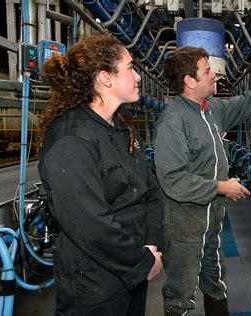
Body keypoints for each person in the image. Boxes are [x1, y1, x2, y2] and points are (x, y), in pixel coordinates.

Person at [154, 46, 251, 315]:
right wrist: (222, 187)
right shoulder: (174, 121)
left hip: (212, 220)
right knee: (181, 294)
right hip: (184, 227)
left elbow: (249, 101)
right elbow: (173, 180)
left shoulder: (211, 109)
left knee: (215, 282)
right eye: (207, 71)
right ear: (190, 81)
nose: (214, 76)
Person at [38, 35, 164, 315]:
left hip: (134, 265)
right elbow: (90, 224)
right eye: (131, 68)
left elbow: (150, 191)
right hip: (94, 284)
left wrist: (150, 245)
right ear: (106, 78)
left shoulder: (121, 127)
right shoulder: (71, 138)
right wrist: (141, 262)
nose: (139, 77)